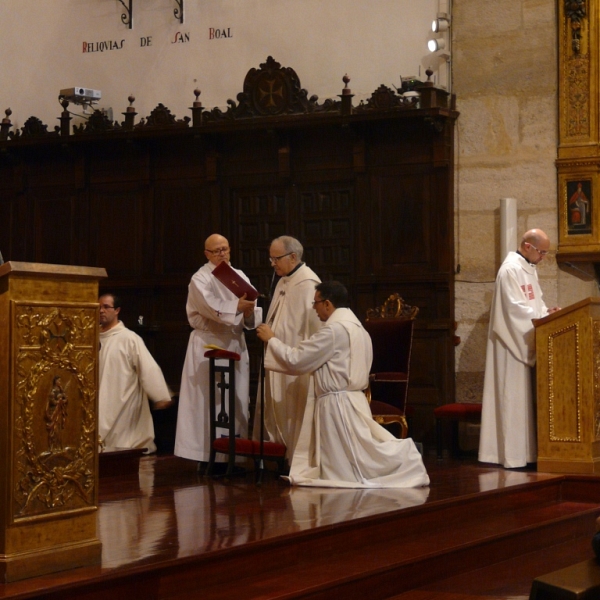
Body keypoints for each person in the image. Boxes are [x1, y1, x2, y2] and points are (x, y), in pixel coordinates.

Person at [256, 281, 429, 489]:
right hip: (354, 399)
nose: (314, 308)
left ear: (327, 304)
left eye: (316, 303)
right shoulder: (360, 330)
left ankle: (406, 458)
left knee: (350, 465)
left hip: (337, 403)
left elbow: (297, 359)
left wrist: (272, 339)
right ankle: (403, 460)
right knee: (356, 454)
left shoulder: (333, 331)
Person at [174, 234, 261, 464]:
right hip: (208, 343)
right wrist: (237, 306)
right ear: (207, 254)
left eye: (225, 249)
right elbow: (211, 307)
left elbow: (251, 307)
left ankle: (233, 454)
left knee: (235, 398)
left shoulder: (239, 275)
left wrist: (249, 313)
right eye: (216, 251)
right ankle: (206, 454)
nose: (222, 253)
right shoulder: (200, 279)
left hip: (234, 341)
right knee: (208, 401)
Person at [478, 229, 561, 469]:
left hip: (523, 339)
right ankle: (511, 456)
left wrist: (547, 312)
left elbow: (535, 303)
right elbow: (514, 310)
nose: (543, 257)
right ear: (527, 246)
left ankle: (524, 454)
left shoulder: (527, 269)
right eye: (541, 251)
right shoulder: (510, 270)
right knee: (510, 396)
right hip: (511, 347)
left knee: (520, 400)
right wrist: (541, 316)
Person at [253, 236, 321, 461]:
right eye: (270, 258)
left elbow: (315, 331)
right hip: (277, 355)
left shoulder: (309, 284)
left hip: (295, 363)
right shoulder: (283, 281)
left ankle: (295, 459)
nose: (272, 263)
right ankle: (278, 456)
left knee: (293, 409)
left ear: (293, 257)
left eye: (276, 258)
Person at [98, 293, 172, 453]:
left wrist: (160, 396)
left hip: (124, 397)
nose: (101, 311)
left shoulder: (129, 338)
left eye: (106, 307)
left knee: (124, 440)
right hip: (100, 396)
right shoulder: (92, 338)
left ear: (117, 310)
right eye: (99, 307)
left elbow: (148, 367)